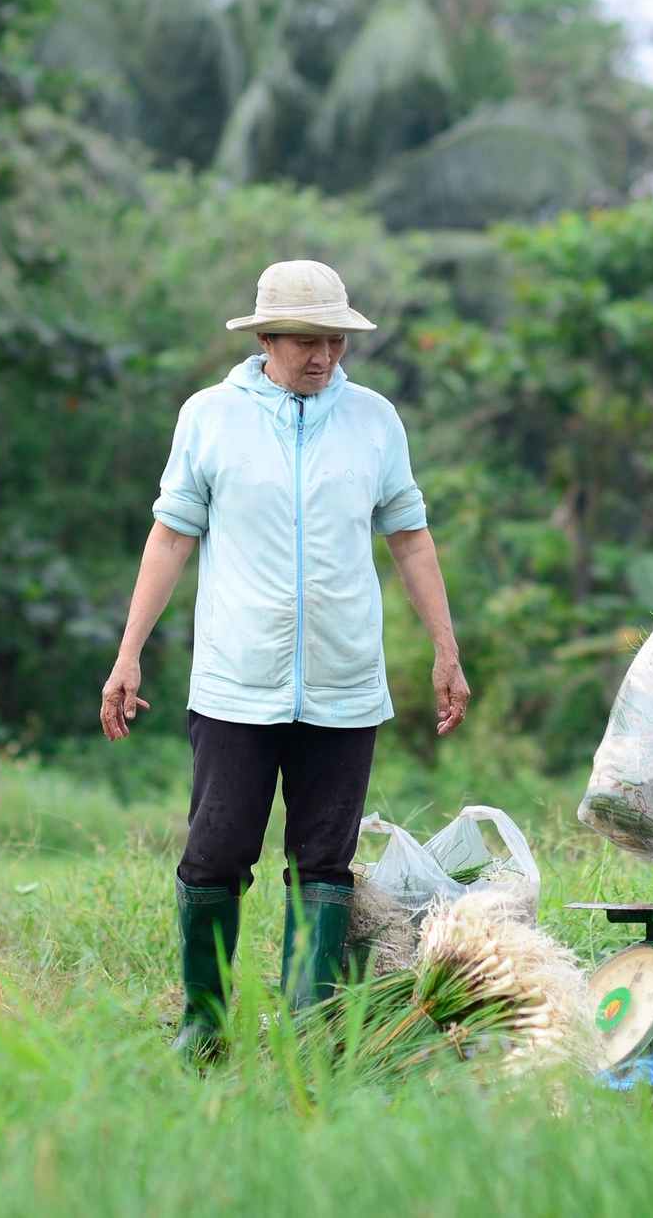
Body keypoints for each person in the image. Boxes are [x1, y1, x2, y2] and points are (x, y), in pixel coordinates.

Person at [99, 259, 470, 1058]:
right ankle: (207, 1021)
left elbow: (408, 535)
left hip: (342, 684)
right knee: (217, 848)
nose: (323, 356)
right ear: (265, 337)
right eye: (306, 340)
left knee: (324, 859)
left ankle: (308, 1030)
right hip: (236, 682)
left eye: (335, 340)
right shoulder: (210, 416)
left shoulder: (374, 421)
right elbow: (170, 536)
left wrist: (446, 647)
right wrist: (128, 653)